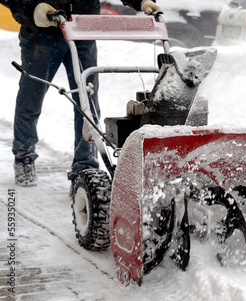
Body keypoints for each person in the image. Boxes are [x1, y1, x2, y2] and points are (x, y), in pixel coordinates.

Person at [1, 0, 161, 187]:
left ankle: (85, 166)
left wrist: (141, 1)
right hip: (42, 33)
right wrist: (30, 8)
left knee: (87, 100)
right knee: (32, 98)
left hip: (82, 29)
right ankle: (24, 156)